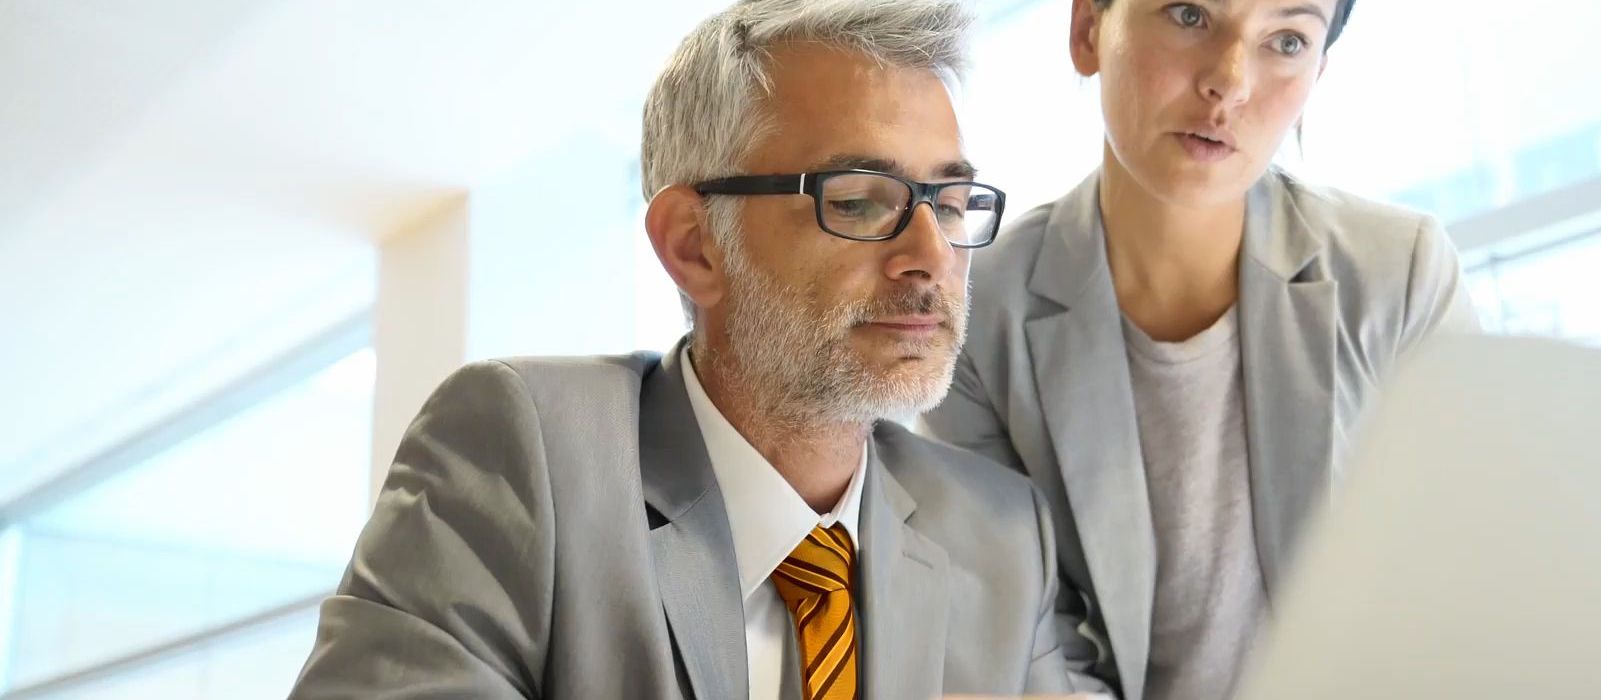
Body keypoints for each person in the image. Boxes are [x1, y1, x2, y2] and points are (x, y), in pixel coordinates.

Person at [291, 1, 1078, 697]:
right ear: (694, 245)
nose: (931, 255)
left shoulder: (999, 533)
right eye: (859, 201)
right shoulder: (522, 453)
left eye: (949, 202)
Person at [922, 1, 1478, 698]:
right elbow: (1030, 648)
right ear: (1088, 28)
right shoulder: (982, 315)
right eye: (1188, 14)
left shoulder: (1402, 275)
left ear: (1318, 73)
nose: (1230, 81)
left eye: (1286, 40)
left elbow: (1468, 584)